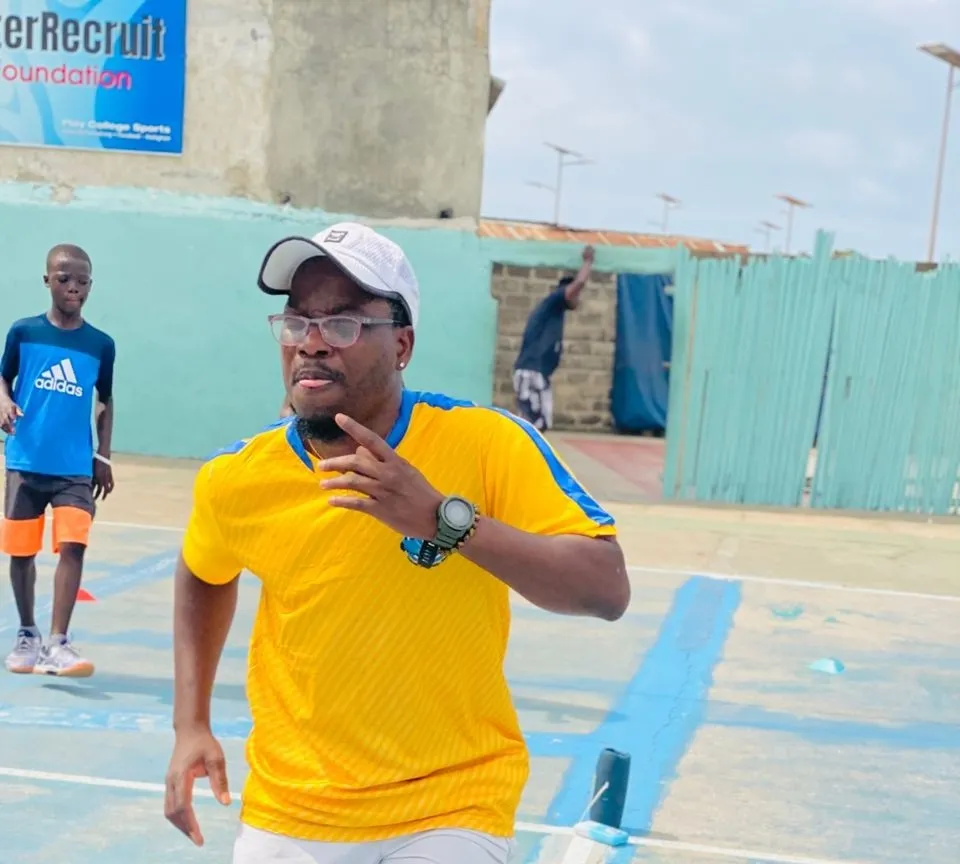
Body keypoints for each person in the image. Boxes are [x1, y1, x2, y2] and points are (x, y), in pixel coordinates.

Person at [163, 222, 630, 864]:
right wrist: (190, 722)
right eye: (298, 322)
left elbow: (605, 587)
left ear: (402, 343)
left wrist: (443, 519)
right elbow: (203, 572)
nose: (313, 343)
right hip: (294, 808)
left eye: (345, 323)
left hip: (451, 803)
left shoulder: (486, 443)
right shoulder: (238, 478)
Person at [0, 244, 116, 678]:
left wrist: (102, 455)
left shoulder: (100, 344)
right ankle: (27, 634)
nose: (74, 287)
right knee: (22, 552)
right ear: (47, 280)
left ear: (90, 285)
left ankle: (58, 641)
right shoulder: (24, 333)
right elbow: (2, 376)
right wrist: (4, 402)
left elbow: (105, 401)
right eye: (64, 279)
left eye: (82, 280)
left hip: (74, 467)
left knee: (73, 545)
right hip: (25, 460)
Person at [512, 244, 595, 430]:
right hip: (530, 372)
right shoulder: (553, 302)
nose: (578, 299)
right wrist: (588, 261)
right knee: (533, 424)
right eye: (576, 295)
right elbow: (579, 283)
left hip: (538, 374)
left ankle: (530, 456)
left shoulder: (556, 313)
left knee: (540, 423)